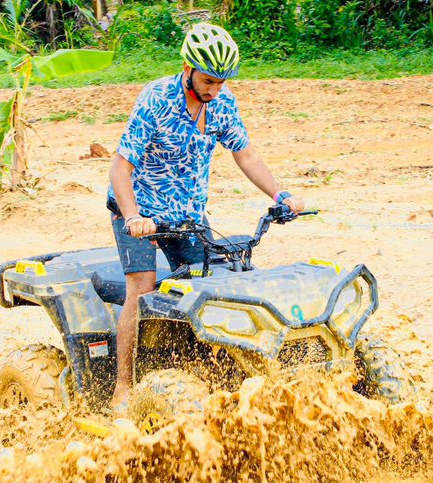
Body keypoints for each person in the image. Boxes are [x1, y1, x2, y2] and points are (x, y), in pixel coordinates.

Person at [106, 22, 305, 408]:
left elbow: (244, 153)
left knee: (207, 287)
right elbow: (119, 169)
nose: (215, 90)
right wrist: (132, 216)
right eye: (209, 81)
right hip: (139, 209)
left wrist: (281, 194)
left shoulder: (222, 102)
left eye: (222, 82)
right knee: (142, 286)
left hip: (187, 216)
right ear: (188, 68)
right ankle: (123, 390)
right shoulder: (155, 100)